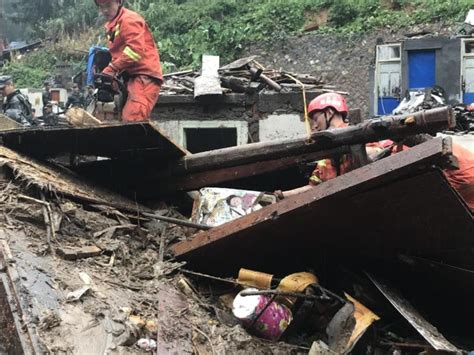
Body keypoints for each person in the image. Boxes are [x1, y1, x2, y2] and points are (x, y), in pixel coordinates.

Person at [279, 93, 474, 211]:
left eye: (315, 118)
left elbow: (377, 158)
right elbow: (314, 187)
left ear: (329, 113)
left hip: (454, 173)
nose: (313, 125)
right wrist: (280, 195)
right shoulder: (332, 156)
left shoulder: (365, 138)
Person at [95, 0, 163, 122]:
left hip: (144, 76)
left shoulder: (129, 20)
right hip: (132, 76)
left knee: (133, 119)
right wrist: (114, 76)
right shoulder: (114, 25)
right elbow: (119, 54)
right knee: (124, 119)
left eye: (108, 5)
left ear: (118, 2)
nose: (105, 10)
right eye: (101, 7)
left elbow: (135, 51)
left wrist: (112, 68)